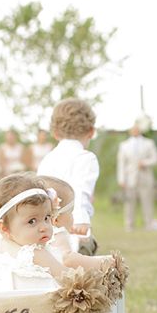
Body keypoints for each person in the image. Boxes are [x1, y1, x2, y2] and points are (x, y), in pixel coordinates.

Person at [37, 99, 99, 254]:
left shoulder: (48, 158)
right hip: (72, 228)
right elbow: (80, 189)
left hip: (45, 227)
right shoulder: (86, 158)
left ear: (55, 133)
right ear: (91, 131)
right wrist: (81, 220)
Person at [39, 175, 112, 270]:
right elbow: (68, 259)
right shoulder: (57, 233)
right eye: (71, 212)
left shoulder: (35, 234)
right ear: (56, 220)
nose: (73, 217)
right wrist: (102, 261)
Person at [116, 122, 157, 231]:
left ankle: (149, 224)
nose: (135, 131)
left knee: (147, 201)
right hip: (130, 177)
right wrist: (121, 179)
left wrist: (145, 163)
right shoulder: (124, 145)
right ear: (130, 131)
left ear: (140, 130)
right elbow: (121, 163)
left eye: (137, 129)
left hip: (145, 176)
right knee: (129, 202)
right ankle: (129, 225)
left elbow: (155, 159)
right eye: (133, 129)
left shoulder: (149, 143)